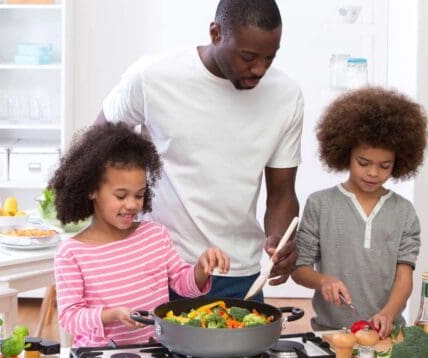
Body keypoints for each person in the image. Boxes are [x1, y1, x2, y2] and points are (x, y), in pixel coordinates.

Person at [94, 0, 304, 300]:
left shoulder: (286, 95)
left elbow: (282, 192)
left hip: (239, 273)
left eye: (270, 58)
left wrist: (280, 241)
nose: (259, 69)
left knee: (244, 348)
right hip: (159, 266)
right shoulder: (152, 76)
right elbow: (96, 149)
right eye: (248, 56)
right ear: (216, 33)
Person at [50, 123, 230, 347]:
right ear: (92, 190)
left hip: (154, 352)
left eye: (140, 195)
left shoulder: (154, 235)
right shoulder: (72, 253)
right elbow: (70, 318)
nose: (133, 204)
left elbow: (183, 285)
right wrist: (112, 314)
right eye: (121, 195)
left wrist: (201, 269)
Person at [292, 87, 427, 339]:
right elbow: (300, 269)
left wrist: (387, 314)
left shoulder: (404, 212)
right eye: (363, 163)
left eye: (384, 166)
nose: (373, 173)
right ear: (345, 154)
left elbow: (404, 278)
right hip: (330, 333)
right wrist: (323, 281)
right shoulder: (320, 204)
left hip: (386, 333)